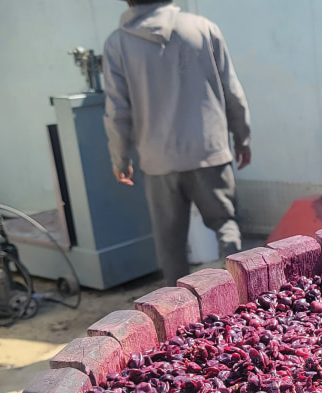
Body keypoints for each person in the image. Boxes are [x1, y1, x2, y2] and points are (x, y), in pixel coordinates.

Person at [103, 0, 251, 284]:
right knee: (226, 225)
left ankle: (177, 317)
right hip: (208, 152)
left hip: (158, 161)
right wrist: (242, 138)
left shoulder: (117, 44)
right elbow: (232, 91)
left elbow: (117, 111)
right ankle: (243, 294)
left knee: (170, 246)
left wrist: (120, 158)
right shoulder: (203, 28)